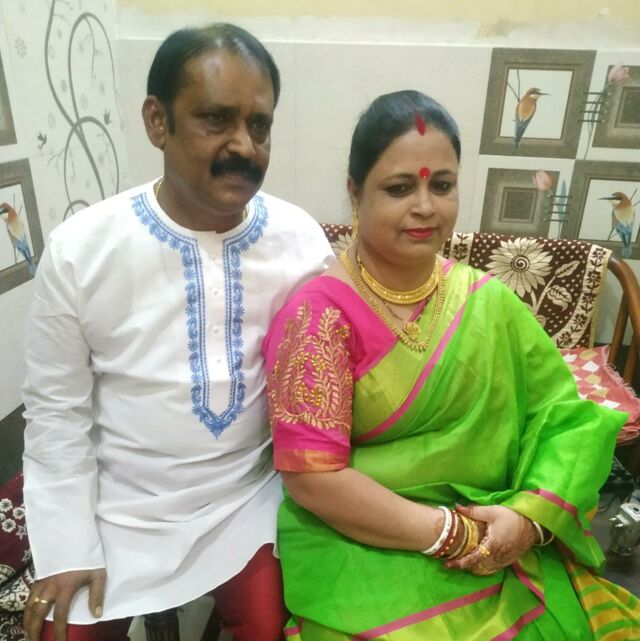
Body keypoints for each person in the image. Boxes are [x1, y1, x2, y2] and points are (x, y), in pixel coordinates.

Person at [263, 90, 640, 640]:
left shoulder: (486, 301)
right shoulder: (318, 316)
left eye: (441, 185)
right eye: (399, 188)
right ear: (355, 192)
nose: (425, 206)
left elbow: (565, 418)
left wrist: (527, 520)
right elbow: (314, 481)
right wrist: (453, 535)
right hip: (359, 544)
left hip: (498, 531)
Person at [21, 23, 334, 641]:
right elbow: (56, 412)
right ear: (157, 121)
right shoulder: (81, 249)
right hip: (118, 508)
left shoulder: (300, 242)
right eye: (216, 119)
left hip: (246, 502)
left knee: (276, 628)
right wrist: (66, 545)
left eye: (260, 125)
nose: (244, 145)